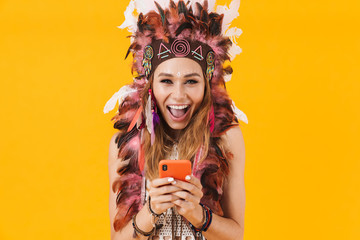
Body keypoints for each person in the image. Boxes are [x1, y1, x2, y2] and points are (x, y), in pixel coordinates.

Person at [104, 1, 248, 239]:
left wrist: (197, 214)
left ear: (206, 87)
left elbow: (237, 235)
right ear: (150, 86)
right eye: (166, 81)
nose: (179, 95)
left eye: (191, 81)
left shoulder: (227, 139)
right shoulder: (124, 145)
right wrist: (152, 211)